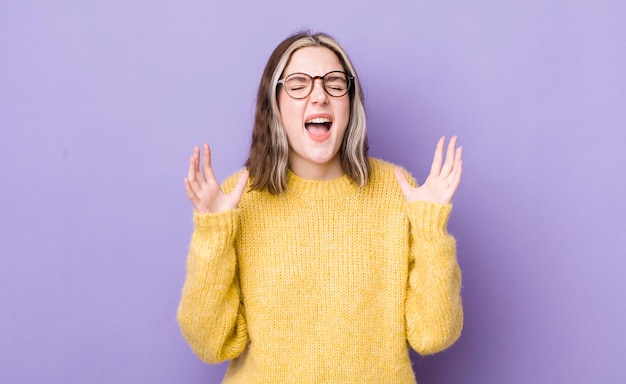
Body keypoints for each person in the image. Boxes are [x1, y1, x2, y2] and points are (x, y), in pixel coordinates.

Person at [177, 31, 463, 383]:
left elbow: (434, 335)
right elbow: (210, 343)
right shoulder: (237, 198)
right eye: (298, 84)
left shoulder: (397, 191)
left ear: (349, 102)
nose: (319, 95)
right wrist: (213, 233)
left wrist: (431, 230)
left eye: (334, 83)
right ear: (275, 103)